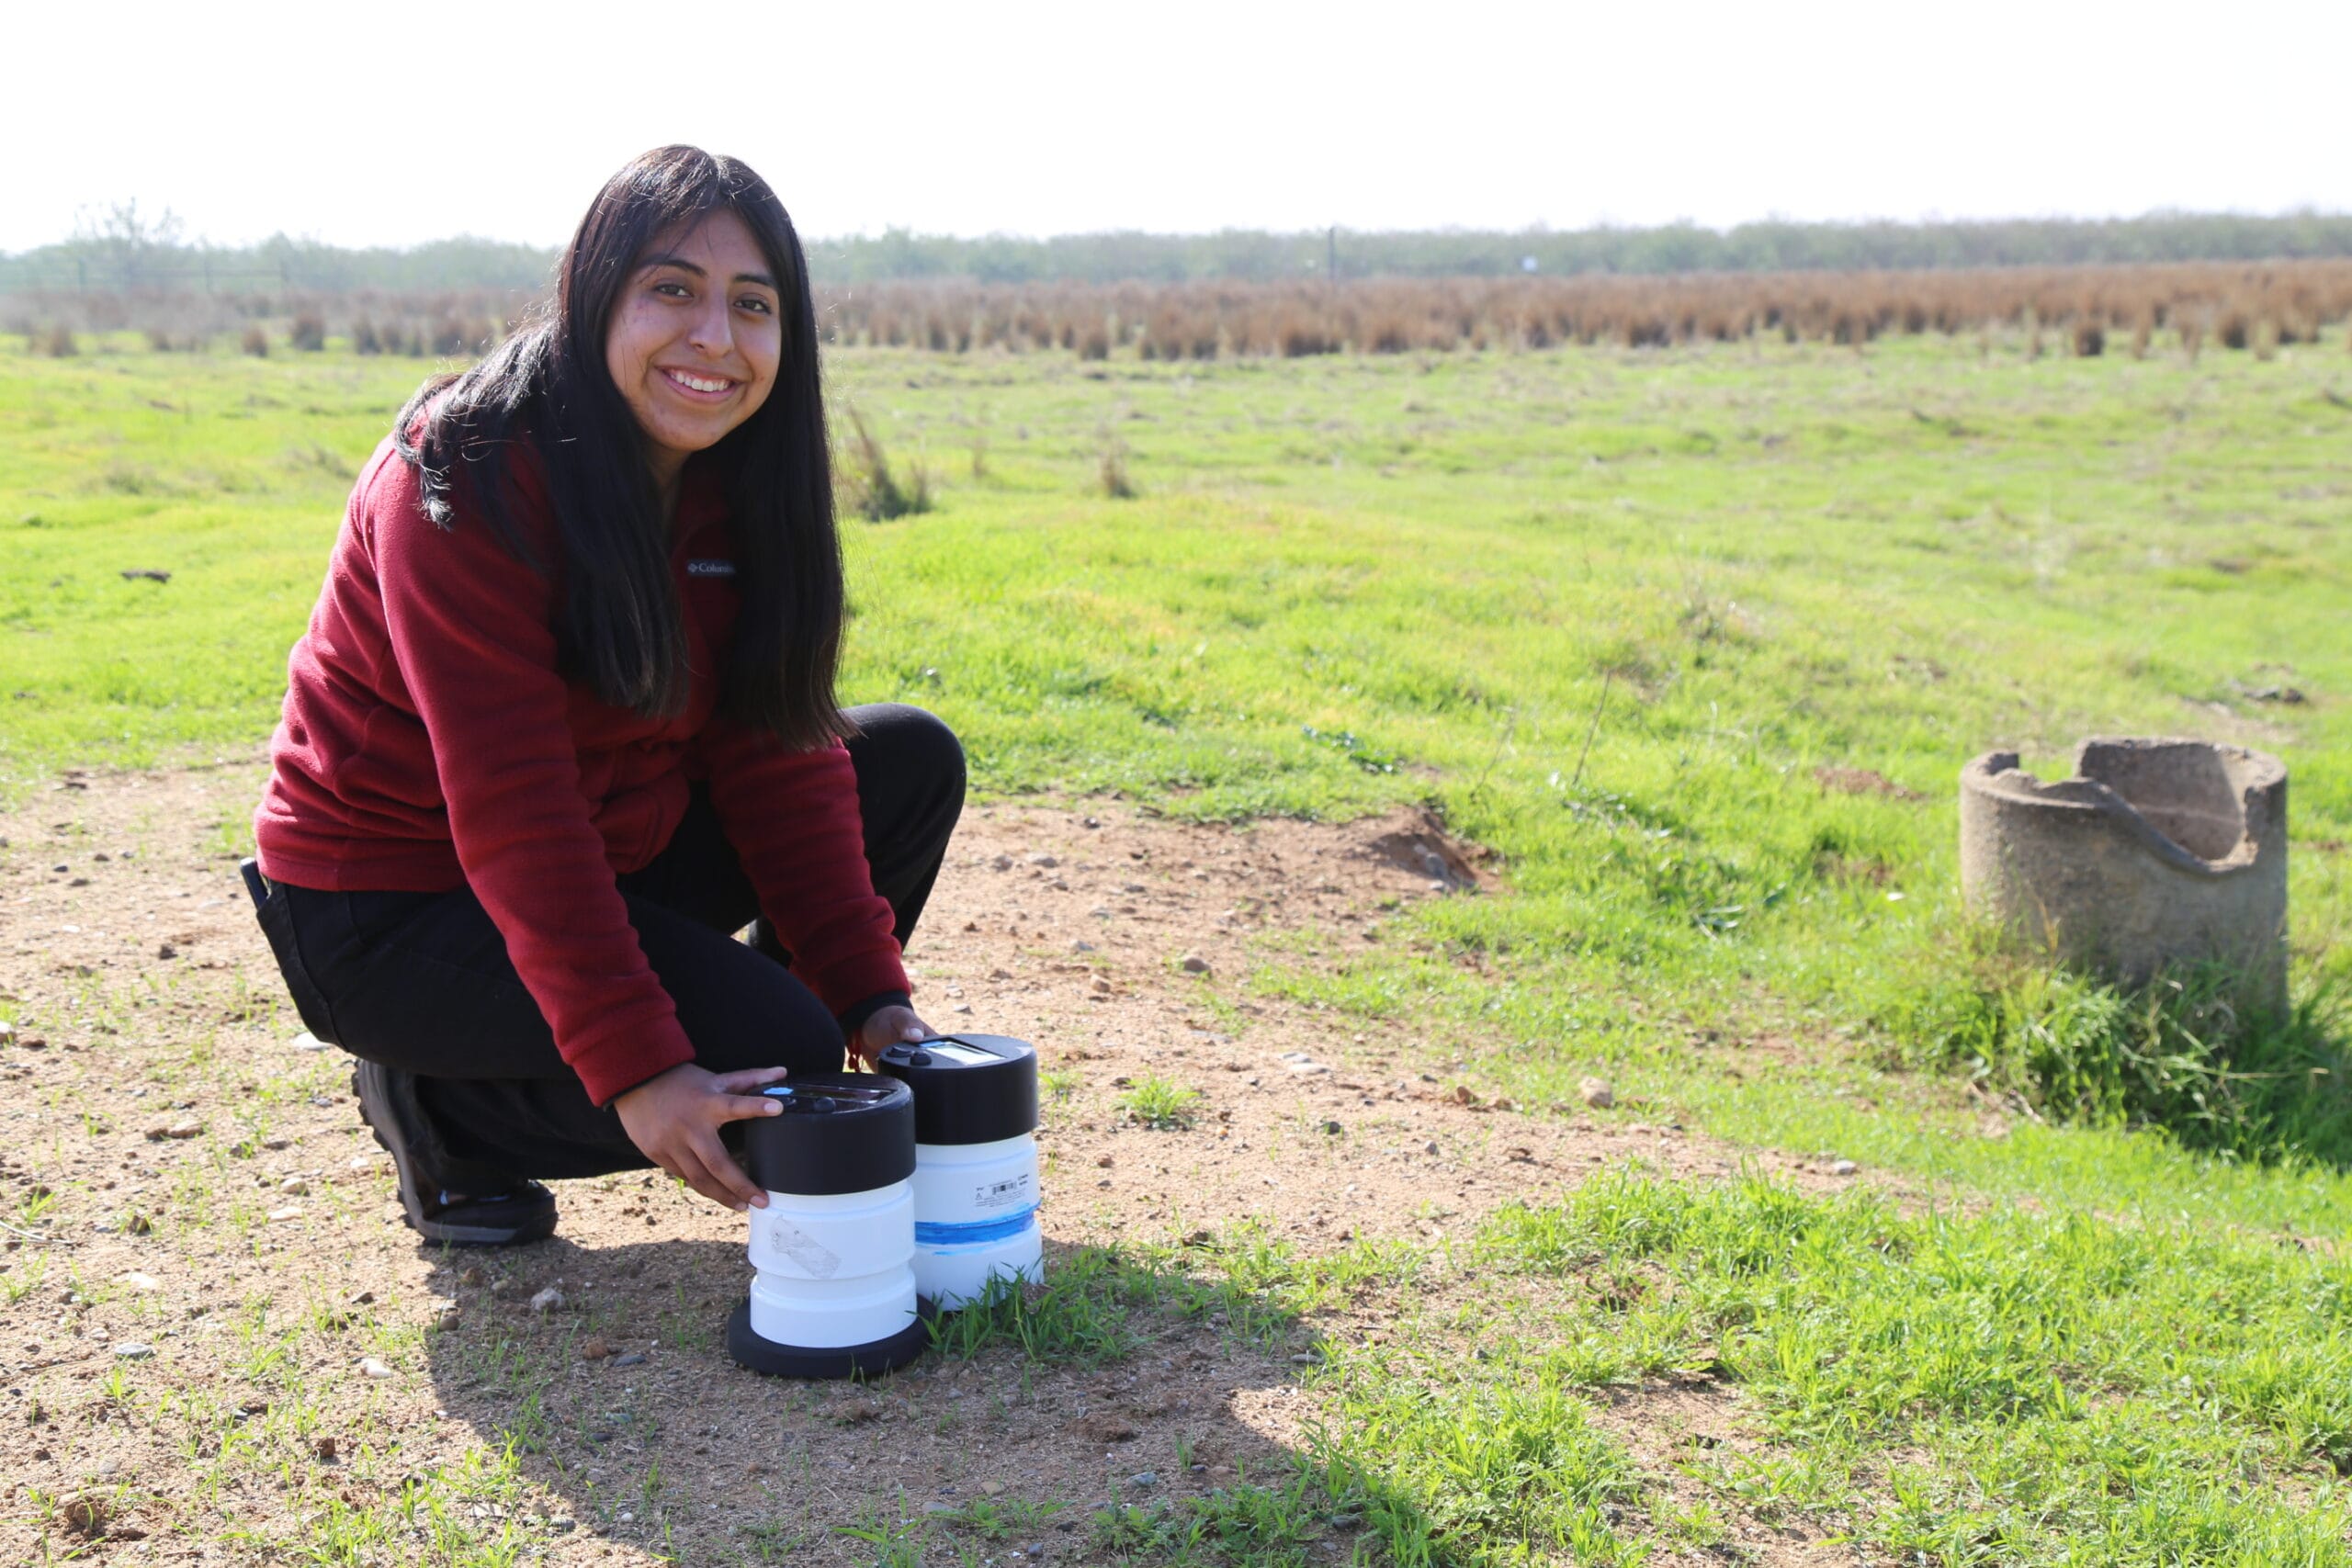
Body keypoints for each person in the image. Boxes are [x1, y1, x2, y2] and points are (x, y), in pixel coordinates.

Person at [244, 146, 960, 1247]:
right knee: (769, 1044)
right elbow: (514, 803)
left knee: (905, 761)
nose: (714, 337)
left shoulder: (738, 476)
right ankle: (439, 1107)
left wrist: (870, 997)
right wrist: (642, 1063)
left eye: (752, 304)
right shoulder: (465, 474)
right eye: (671, 289)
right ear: (594, 297)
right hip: (390, 906)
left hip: (603, 845)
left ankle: (768, 1083)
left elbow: (774, 748)